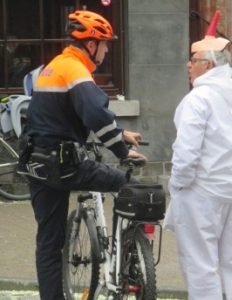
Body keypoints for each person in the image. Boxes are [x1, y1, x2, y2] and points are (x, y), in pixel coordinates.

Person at [17, 10, 147, 300]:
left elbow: (61, 113)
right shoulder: (77, 70)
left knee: (49, 244)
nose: (106, 49)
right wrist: (123, 151)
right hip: (65, 165)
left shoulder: (53, 66)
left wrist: (120, 131)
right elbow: (95, 114)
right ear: (91, 45)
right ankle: (129, 260)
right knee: (133, 187)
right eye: (105, 44)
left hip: (37, 165)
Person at [163, 10, 232, 300]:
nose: (189, 66)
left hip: (201, 193)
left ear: (208, 64)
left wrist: (178, 186)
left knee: (200, 266)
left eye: (193, 60)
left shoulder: (197, 100)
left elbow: (186, 154)